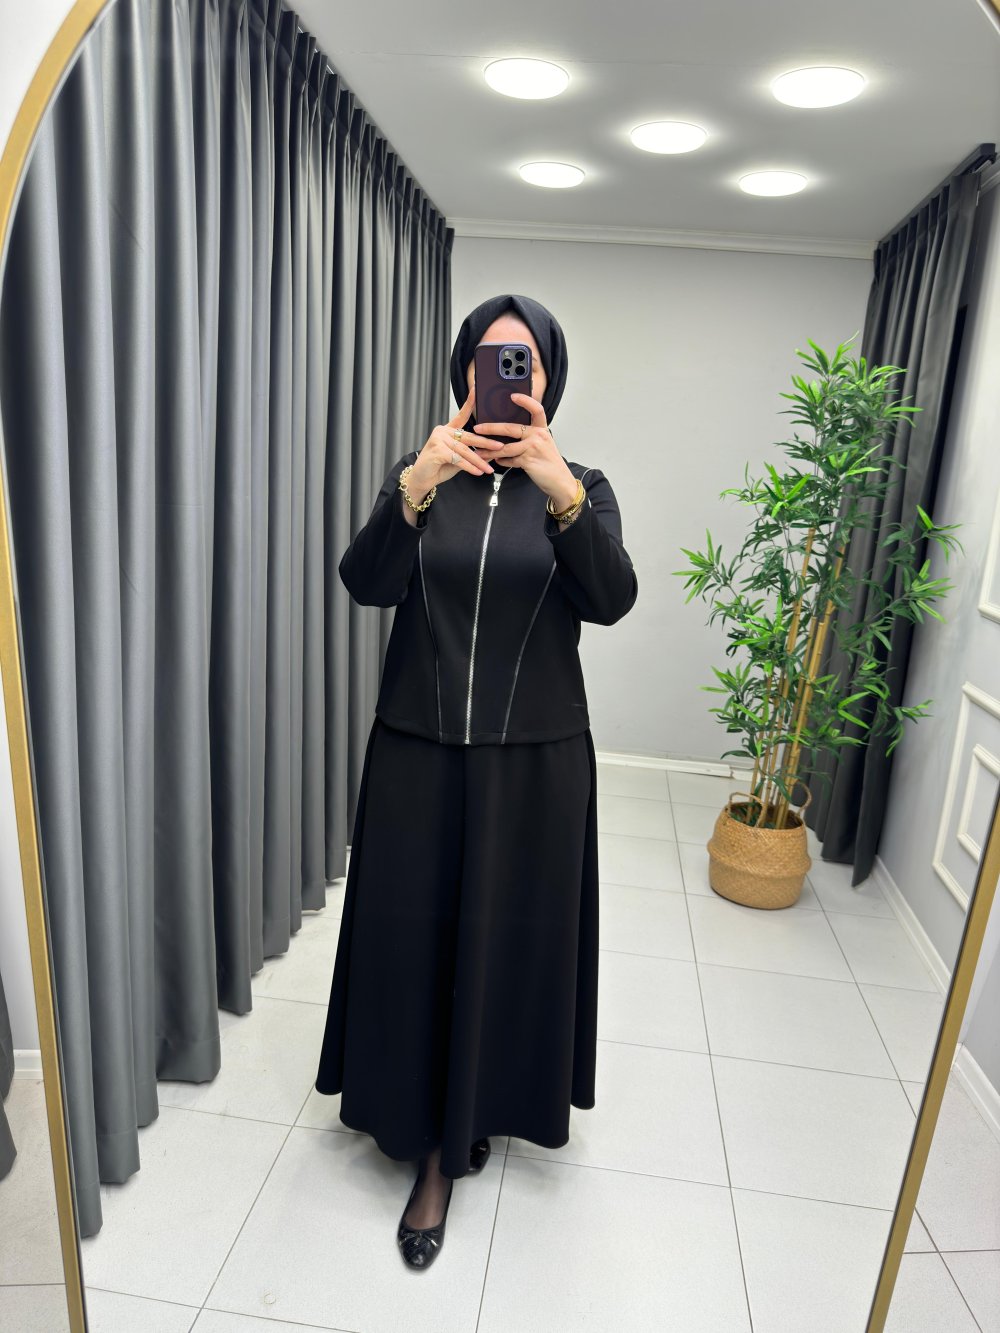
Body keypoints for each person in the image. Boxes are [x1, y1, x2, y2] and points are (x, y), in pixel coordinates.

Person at [315, 293, 638, 1269]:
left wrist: (560, 491)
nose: (504, 375)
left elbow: (611, 597)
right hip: (417, 754)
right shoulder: (425, 477)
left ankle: (470, 1123)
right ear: (464, 374)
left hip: (533, 765)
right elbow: (366, 581)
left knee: (505, 942)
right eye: (488, 359)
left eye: (521, 360)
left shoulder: (580, 484)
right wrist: (412, 486)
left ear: (546, 379)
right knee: (413, 940)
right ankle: (422, 1131)